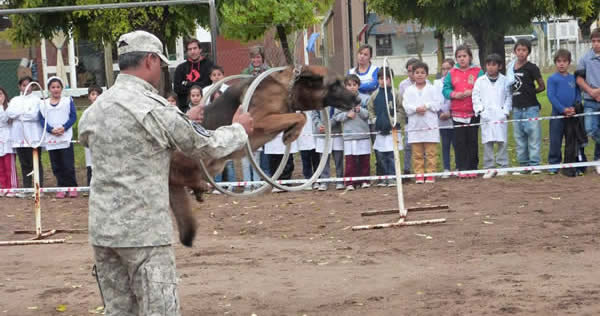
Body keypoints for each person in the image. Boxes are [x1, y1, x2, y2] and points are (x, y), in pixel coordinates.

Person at [78, 30, 253, 316]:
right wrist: (239, 131)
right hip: (145, 235)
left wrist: (182, 120)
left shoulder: (95, 110)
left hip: (104, 232)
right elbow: (205, 146)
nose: (161, 70)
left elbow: (104, 136)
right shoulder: (154, 109)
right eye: (160, 63)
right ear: (149, 60)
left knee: (119, 311)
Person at [443, 44, 484, 178]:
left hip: (473, 112)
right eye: (459, 56)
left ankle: (473, 168)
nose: (462, 59)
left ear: (470, 57)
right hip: (457, 112)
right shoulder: (451, 73)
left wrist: (472, 92)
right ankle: (462, 168)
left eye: (464, 56)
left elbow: (484, 87)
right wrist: (455, 94)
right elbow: (445, 89)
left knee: (472, 140)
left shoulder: (478, 71)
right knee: (460, 141)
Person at [472, 54, 512, 179]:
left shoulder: (505, 80)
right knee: (487, 142)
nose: (490, 67)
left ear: (499, 66)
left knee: (502, 141)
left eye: (494, 64)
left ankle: (502, 166)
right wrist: (480, 110)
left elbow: (509, 97)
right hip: (486, 116)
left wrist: (505, 111)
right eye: (488, 64)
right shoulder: (480, 81)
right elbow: (475, 96)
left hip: (500, 115)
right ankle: (489, 167)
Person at [509, 38, 545, 174]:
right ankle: (523, 165)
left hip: (531, 108)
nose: (521, 53)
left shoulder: (532, 68)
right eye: (518, 50)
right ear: (515, 51)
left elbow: (542, 86)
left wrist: (530, 92)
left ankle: (534, 165)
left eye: (524, 50)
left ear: (528, 52)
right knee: (519, 138)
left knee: (534, 137)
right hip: (516, 108)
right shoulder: (510, 68)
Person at [38, 76, 78, 198]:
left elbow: (73, 117)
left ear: (61, 88)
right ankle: (61, 186)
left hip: (65, 137)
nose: (56, 89)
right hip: (52, 139)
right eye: (53, 87)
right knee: (56, 164)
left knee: (68, 163)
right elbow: (41, 119)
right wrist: (50, 130)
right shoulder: (43, 104)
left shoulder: (67, 101)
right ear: (49, 89)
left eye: (58, 87)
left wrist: (64, 128)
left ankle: (72, 186)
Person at [549, 49, 587, 176]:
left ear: (569, 63)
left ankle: (569, 163)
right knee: (555, 140)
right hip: (557, 115)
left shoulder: (573, 78)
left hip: (572, 116)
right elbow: (551, 96)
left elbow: (577, 95)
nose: (561, 64)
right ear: (555, 63)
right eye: (559, 61)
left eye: (564, 61)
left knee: (571, 140)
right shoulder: (552, 79)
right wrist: (562, 109)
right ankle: (554, 164)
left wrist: (574, 108)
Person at [6, 76, 44, 197]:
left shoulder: (37, 100)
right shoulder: (15, 100)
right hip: (19, 137)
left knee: (36, 162)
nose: (26, 88)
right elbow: (9, 113)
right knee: (24, 164)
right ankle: (27, 188)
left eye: (28, 85)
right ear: (19, 86)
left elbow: (34, 115)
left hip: (33, 136)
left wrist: (19, 114)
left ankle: (39, 189)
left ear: (32, 86)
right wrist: (23, 113)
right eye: (23, 85)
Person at [403, 62, 440, 184]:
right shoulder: (408, 90)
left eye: (422, 72)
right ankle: (419, 174)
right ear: (412, 75)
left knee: (431, 153)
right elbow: (406, 106)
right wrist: (415, 109)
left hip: (430, 125)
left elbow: (437, 104)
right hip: (415, 125)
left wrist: (427, 106)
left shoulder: (433, 89)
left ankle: (430, 174)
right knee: (417, 153)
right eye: (417, 73)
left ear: (427, 74)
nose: (419, 75)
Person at [334, 74, 371, 190]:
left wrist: (361, 110)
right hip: (349, 135)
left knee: (364, 159)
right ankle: (350, 182)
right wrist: (347, 115)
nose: (352, 87)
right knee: (350, 161)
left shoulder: (365, 99)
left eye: (354, 85)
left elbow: (369, 114)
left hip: (363, 134)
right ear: (345, 87)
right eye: (349, 85)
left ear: (358, 86)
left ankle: (364, 180)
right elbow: (337, 117)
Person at [368, 68, 403, 187]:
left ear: (391, 79)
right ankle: (383, 178)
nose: (383, 81)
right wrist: (374, 120)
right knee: (381, 156)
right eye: (381, 78)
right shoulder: (375, 95)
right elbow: (370, 109)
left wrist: (394, 120)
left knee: (392, 155)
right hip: (380, 131)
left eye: (386, 78)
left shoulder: (396, 93)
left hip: (393, 131)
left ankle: (393, 177)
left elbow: (401, 109)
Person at [241, 46, 270, 187]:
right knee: (250, 147)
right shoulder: (246, 72)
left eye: (258, 57)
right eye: (253, 57)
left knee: (263, 145)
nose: (255, 60)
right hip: (250, 108)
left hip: (265, 109)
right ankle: (248, 182)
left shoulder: (269, 71)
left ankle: (263, 178)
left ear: (262, 58)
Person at [575, 28, 600, 175]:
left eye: (599, 41)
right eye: (594, 41)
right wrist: (592, 92)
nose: (596, 44)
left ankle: (598, 159)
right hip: (590, 101)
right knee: (590, 129)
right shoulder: (585, 59)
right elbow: (579, 79)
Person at [349, 45, 379, 146]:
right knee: (360, 146)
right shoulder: (351, 72)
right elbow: (347, 88)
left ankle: (378, 162)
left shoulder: (375, 70)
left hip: (372, 112)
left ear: (370, 57)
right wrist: (364, 86)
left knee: (377, 144)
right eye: (360, 53)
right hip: (356, 115)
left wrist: (356, 86)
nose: (362, 56)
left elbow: (374, 84)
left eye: (365, 54)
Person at [173, 38, 214, 112]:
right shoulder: (180, 68)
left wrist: (187, 84)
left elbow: (208, 85)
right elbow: (177, 88)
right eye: (190, 49)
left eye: (195, 48)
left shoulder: (209, 65)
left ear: (200, 49)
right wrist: (198, 87)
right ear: (187, 51)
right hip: (185, 109)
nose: (192, 51)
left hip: (206, 107)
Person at [312, 108, 344, 190]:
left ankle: (340, 181)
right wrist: (319, 125)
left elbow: (337, 115)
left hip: (336, 134)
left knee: (338, 160)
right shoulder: (317, 100)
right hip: (322, 135)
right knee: (323, 160)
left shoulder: (336, 99)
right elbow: (315, 115)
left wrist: (327, 125)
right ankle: (324, 182)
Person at [433, 58, 455, 177]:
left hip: (454, 117)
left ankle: (458, 166)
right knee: (445, 143)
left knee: (457, 143)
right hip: (441, 117)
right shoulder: (436, 84)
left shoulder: (456, 82)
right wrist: (440, 113)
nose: (446, 71)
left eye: (448, 68)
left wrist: (450, 113)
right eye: (444, 69)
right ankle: (446, 168)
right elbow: (434, 99)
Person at [398, 58, 420, 175]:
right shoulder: (403, 84)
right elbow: (402, 103)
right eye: (409, 71)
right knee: (408, 145)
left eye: (414, 70)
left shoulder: (426, 83)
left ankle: (423, 170)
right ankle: (406, 169)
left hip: (422, 118)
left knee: (422, 145)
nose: (411, 73)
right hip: (409, 119)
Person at [0, 86, 18, 197]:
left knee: (8, 164)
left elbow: (5, 119)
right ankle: (3, 186)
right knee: (0, 165)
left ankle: (12, 187)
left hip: (8, 137)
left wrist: (2, 105)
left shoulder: (9, 107)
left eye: (0, 94)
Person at [84, 85, 102, 188]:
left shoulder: (106, 111)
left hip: (102, 142)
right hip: (90, 142)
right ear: (89, 96)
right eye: (93, 94)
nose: (96, 97)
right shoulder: (87, 112)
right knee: (90, 166)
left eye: (98, 94)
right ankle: (89, 187)